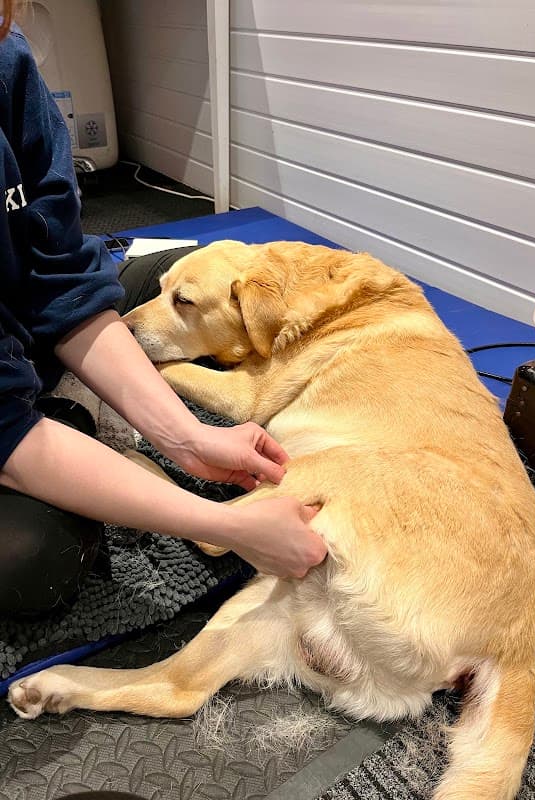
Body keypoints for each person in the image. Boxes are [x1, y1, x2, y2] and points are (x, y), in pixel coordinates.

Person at [0, 3, 327, 618]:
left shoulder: (8, 58)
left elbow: (62, 277)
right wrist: (220, 523)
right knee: (27, 561)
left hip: (21, 317)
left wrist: (189, 439)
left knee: (189, 269)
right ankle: (71, 423)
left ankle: (80, 414)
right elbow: (2, 430)